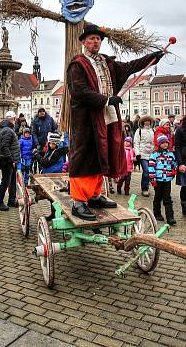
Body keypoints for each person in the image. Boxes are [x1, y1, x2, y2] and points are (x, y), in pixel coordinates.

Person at [65, 24, 165, 220]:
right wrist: (106, 100)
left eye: (98, 39)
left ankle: (94, 195)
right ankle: (78, 201)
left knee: (101, 155)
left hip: (106, 117)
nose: (96, 42)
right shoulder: (78, 64)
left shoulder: (106, 62)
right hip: (86, 120)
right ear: (84, 42)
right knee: (83, 157)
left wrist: (152, 58)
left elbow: (130, 67)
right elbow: (79, 91)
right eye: (92, 39)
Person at [147, 134, 176, 225]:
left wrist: (174, 170)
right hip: (158, 180)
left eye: (166, 143)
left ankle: (170, 217)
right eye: (162, 143)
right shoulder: (154, 155)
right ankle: (157, 213)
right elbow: (151, 167)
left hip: (167, 180)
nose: (164, 145)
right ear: (159, 144)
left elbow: (174, 164)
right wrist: (153, 179)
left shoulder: (170, 154)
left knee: (167, 198)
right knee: (158, 197)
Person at [0, 111, 20, 211]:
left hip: (10, 160)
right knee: (6, 181)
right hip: (7, 161)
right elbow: (5, 147)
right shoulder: (7, 130)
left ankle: (11, 200)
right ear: (13, 119)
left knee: (12, 180)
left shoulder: (7, 129)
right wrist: (11, 160)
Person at [133, 116, 155, 197]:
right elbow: (136, 143)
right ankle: (145, 189)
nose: (147, 122)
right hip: (142, 154)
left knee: (150, 172)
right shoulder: (139, 131)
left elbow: (155, 142)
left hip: (152, 154)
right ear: (142, 122)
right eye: (145, 121)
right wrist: (137, 153)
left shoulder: (153, 130)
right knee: (146, 171)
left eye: (148, 121)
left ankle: (147, 185)